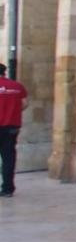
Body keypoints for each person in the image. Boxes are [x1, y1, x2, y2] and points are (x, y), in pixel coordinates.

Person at [0, 63, 28, 198]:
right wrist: (12, 112)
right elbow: (25, 104)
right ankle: (7, 189)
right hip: (11, 126)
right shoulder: (17, 86)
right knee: (8, 157)